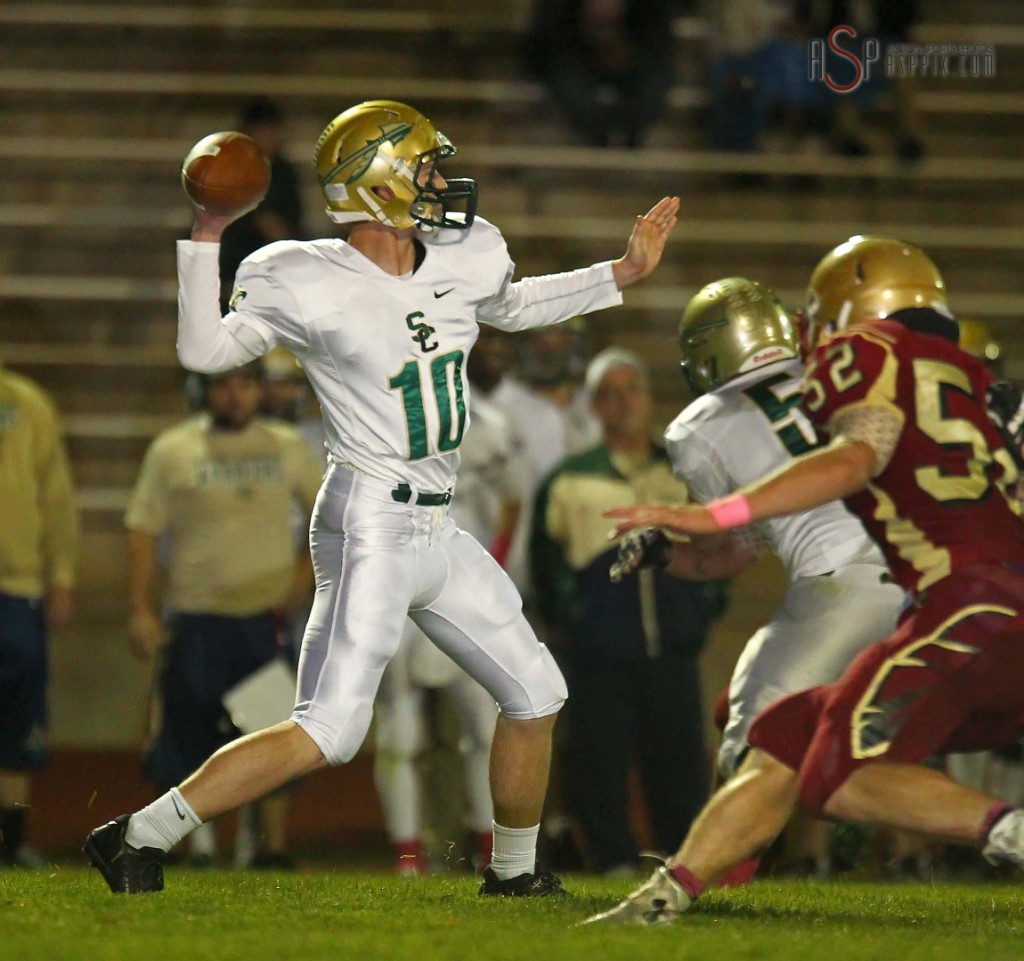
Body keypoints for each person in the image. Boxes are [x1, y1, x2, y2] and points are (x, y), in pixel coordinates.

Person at [83, 98, 679, 896]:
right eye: (424, 167)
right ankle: (137, 834)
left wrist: (621, 274)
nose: (441, 180)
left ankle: (512, 874)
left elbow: (514, 303)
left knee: (536, 689)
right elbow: (204, 349)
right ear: (378, 187)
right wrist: (208, 237)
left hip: (440, 521)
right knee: (330, 730)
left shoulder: (468, 251)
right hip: (368, 518)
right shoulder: (301, 275)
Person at [588, 236, 1024, 924]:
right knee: (828, 739)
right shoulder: (932, 371)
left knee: (771, 741)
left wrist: (706, 516)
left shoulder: (720, 416)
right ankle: (686, 890)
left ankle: (713, 880)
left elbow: (826, 478)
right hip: (939, 592)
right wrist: (676, 550)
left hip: (893, 589)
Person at [578, 278, 902, 901]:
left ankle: (713, 879)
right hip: (919, 575)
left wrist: (668, 546)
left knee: (749, 736)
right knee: (855, 740)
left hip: (842, 585)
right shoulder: (829, 374)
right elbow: (739, 548)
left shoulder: (697, 427)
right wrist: (670, 557)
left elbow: (730, 544)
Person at [531, 347, 725, 875]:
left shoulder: (683, 473)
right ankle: (611, 858)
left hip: (673, 647)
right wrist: (576, 623)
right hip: (600, 653)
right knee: (599, 759)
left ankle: (681, 859)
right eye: (607, 393)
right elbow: (547, 566)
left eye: (630, 389)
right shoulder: (569, 479)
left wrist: (699, 610)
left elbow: (718, 549)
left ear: (648, 396)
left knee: (680, 759)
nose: (621, 403)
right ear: (594, 405)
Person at [125, 362, 323, 869]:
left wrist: (304, 575)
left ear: (259, 391)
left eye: (244, 385)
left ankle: (273, 847)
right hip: (195, 615)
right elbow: (143, 530)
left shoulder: (286, 446)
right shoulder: (173, 450)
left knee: (273, 730)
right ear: (204, 390)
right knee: (186, 733)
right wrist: (140, 608)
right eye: (223, 385)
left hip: (263, 618)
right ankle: (196, 847)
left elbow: (329, 514)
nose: (234, 396)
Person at [373, 370, 524, 875]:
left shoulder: (484, 422)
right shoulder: (371, 411)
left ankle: (490, 853)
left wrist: (493, 565)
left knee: (484, 722)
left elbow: (512, 497)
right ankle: (409, 855)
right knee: (400, 731)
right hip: (396, 585)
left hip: (461, 586)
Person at [0, 360, 78, 867]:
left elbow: (55, 494)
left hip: (18, 586)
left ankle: (11, 838)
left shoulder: (27, 403)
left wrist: (61, 575)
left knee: (17, 720)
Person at [523, 0, 675, 148]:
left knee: (654, 83)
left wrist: (628, 54)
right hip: (575, 59)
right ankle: (598, 134)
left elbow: (660, 44)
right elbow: (547, 44)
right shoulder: (557, 8)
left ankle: (629, 132)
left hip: (635, 59)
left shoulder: (651, 8)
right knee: (569, 86)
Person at [218, 98, 307, 309]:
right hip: (236, 267)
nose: (271, 137)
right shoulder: (229, 169)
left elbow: (291, 222)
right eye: (265, 130)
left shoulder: (284, 171)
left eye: (274, 130)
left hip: (277, 270)